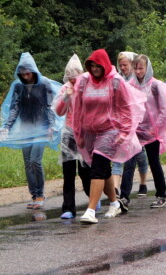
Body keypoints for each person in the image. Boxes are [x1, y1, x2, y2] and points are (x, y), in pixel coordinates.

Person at [72, 49, 146, 223]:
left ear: (104, 65)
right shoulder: (84, 81)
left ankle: (90, 210)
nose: (95, 68)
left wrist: (125, 132)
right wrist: (78, 132)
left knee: (97, 167)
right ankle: (114, 202)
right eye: (92, 65)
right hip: (90, 132)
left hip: (110, 131)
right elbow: (77, 108)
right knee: (104, 171)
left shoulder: (115, 81)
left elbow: (126, 108)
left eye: (98, 65)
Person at [0, 52, 64, 209]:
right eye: (22, 73)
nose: (25, 75)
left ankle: (41, 194)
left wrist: (51, 125)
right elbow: (14, 108)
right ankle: (34, 195)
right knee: (28, 163)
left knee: (35, 160)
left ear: (33, 71)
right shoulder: (18, 86)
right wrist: (6, 127)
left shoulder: (44, 84)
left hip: (42, 128)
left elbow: (50, 106)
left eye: (28, 72)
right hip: (26, 128)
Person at [128, 54, 166, 208]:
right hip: (136, 131)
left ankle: (161, 194)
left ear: (147, 68)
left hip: (152, 131)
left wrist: (156, 130)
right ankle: (124, 196)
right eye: (135, 68)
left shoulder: (156, 85)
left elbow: (164, 110)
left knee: (154, 162)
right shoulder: (131, 84)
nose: (138, 71)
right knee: (129, 162)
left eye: (141, 68)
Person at [52, 54, 92, 219]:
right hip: (69, 134)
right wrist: (66, 96)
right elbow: (59, 111)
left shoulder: (88, 86)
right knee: (68, 172)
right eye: (71, 75)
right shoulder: (65, 88)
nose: (73, 79)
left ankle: (92, 200)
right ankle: (68, 207)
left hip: (85, 133)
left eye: (76, 75)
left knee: (85, 170)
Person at [115, 51, 149, 200]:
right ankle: (117, 189)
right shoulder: (117, 79)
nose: (123, 68)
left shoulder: (137, 81)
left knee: (140, 156)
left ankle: (143, 182)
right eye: (120, 65)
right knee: (119, 155)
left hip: (139, 125)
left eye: (125, 65)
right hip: (122, 124)